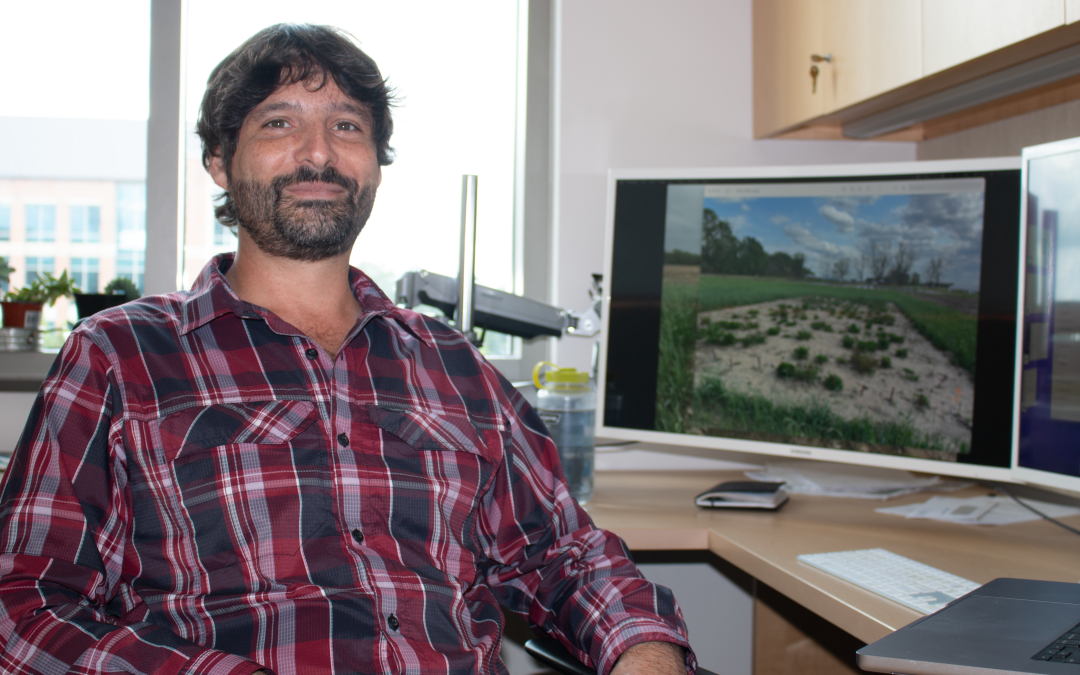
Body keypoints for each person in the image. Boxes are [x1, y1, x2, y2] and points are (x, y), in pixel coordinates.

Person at [0, 24, 695, 675]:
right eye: (280, 122)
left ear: (376, 165)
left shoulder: (451, 363)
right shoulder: (121, 354)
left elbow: (565, 554)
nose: (319, 153)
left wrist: (645, 652)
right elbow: (24, 605)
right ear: (218, 160)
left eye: (346, 126)